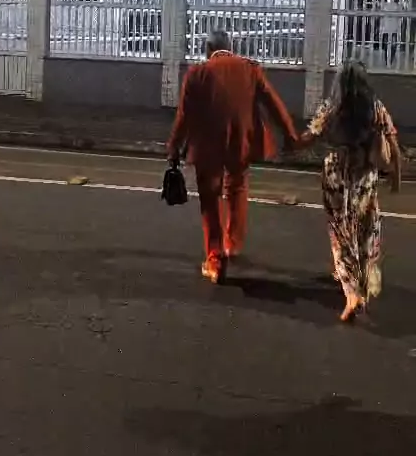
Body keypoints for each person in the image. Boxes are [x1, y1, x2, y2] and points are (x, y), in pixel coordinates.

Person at [167, 29, 298, 285]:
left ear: (208, 50)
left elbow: (184, 116)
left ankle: (215, 260)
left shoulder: (197, 73)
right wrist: (290, 135)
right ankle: (233, 244)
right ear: (230, 47)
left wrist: (174, 146)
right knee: (237, 187)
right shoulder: (250, 70)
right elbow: (274, 104)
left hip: (208, 144)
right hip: (241, 141)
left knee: (210, 198)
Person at [296, 60, 401, 322]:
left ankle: (352, 294)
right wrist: (396, 177)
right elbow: (393, 143)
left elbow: (309, 137)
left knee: (340, 233)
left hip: (336, 177)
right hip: (364, 177)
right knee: (365, 228)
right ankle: (363, 280)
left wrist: (287, 140)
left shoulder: (332, 107)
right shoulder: (375, 107)